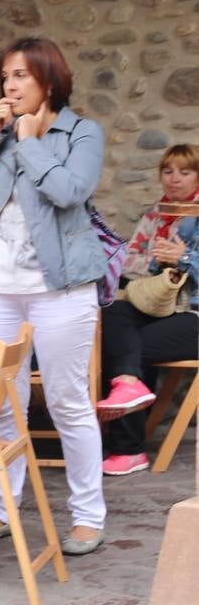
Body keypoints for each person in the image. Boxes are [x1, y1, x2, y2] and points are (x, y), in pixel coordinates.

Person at [0, 37, 108, 556]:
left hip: (60, 290)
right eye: (5, 77)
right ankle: (2, 508)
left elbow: (69, 192)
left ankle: (88, 518)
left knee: (67, 404)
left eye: (20, 75)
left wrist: (29, 140)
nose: (10, 86)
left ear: (48, 78)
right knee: (2, 403)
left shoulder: (82, 133)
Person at [97, 144, 199, 474]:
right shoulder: (156, 214)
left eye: (185, 172)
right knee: (111, 313)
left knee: (133, 347)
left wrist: (183, 258)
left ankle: (129, 450)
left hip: (193, 314)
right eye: (168, 171)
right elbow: (129, 260)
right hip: (158, 303)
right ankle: (127, 390)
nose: (175, 179)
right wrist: (158, 259)